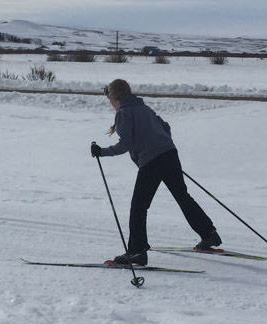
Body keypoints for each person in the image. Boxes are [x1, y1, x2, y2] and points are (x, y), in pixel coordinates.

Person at [91, 79, 221, 266]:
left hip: (151, 162)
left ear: (115, 97)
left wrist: (101, 152)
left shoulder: (124, 113)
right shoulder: (143, 107)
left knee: (138, 206)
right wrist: (161, 144)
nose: (110, 103)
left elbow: (125, 145)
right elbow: (166, 127)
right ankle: (209, 234)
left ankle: (137, 252)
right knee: (182, 197)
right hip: (169, 155)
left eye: (109, 98)